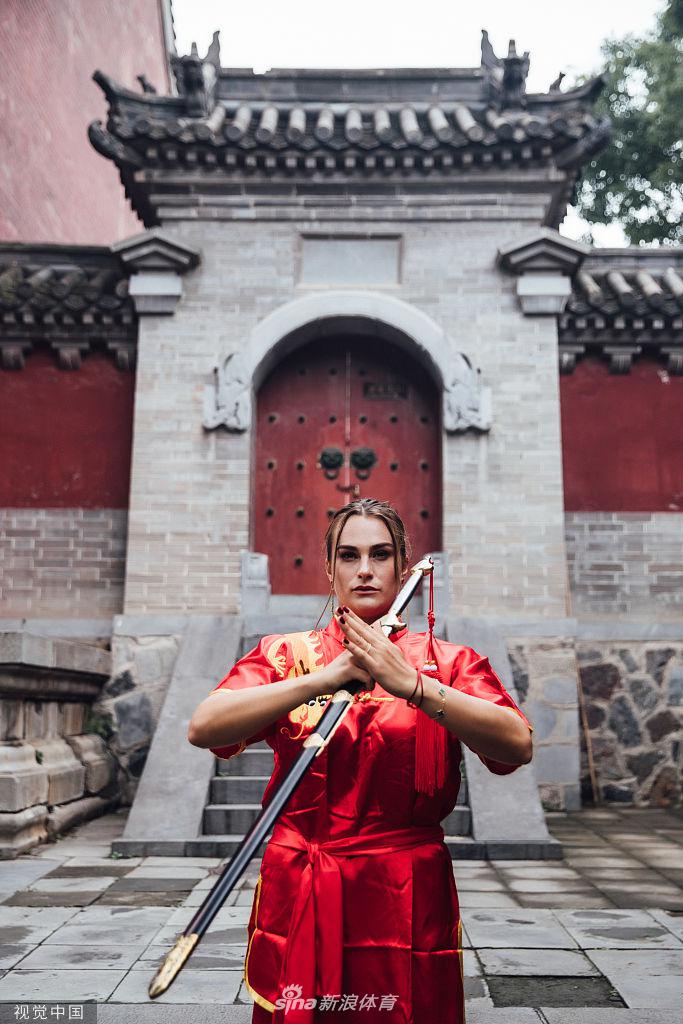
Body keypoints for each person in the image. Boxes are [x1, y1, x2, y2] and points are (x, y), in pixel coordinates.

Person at [188, 498, 534, 1023]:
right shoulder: (285, 655)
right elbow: (204, 727)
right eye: (349, 556)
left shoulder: (448, 663)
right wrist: (323, 680)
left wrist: (414, 686)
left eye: (381, 554)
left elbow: (516, 745)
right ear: (329, 569)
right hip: (305, 877)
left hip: (404, 886)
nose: (365, 570)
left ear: (403, 567)